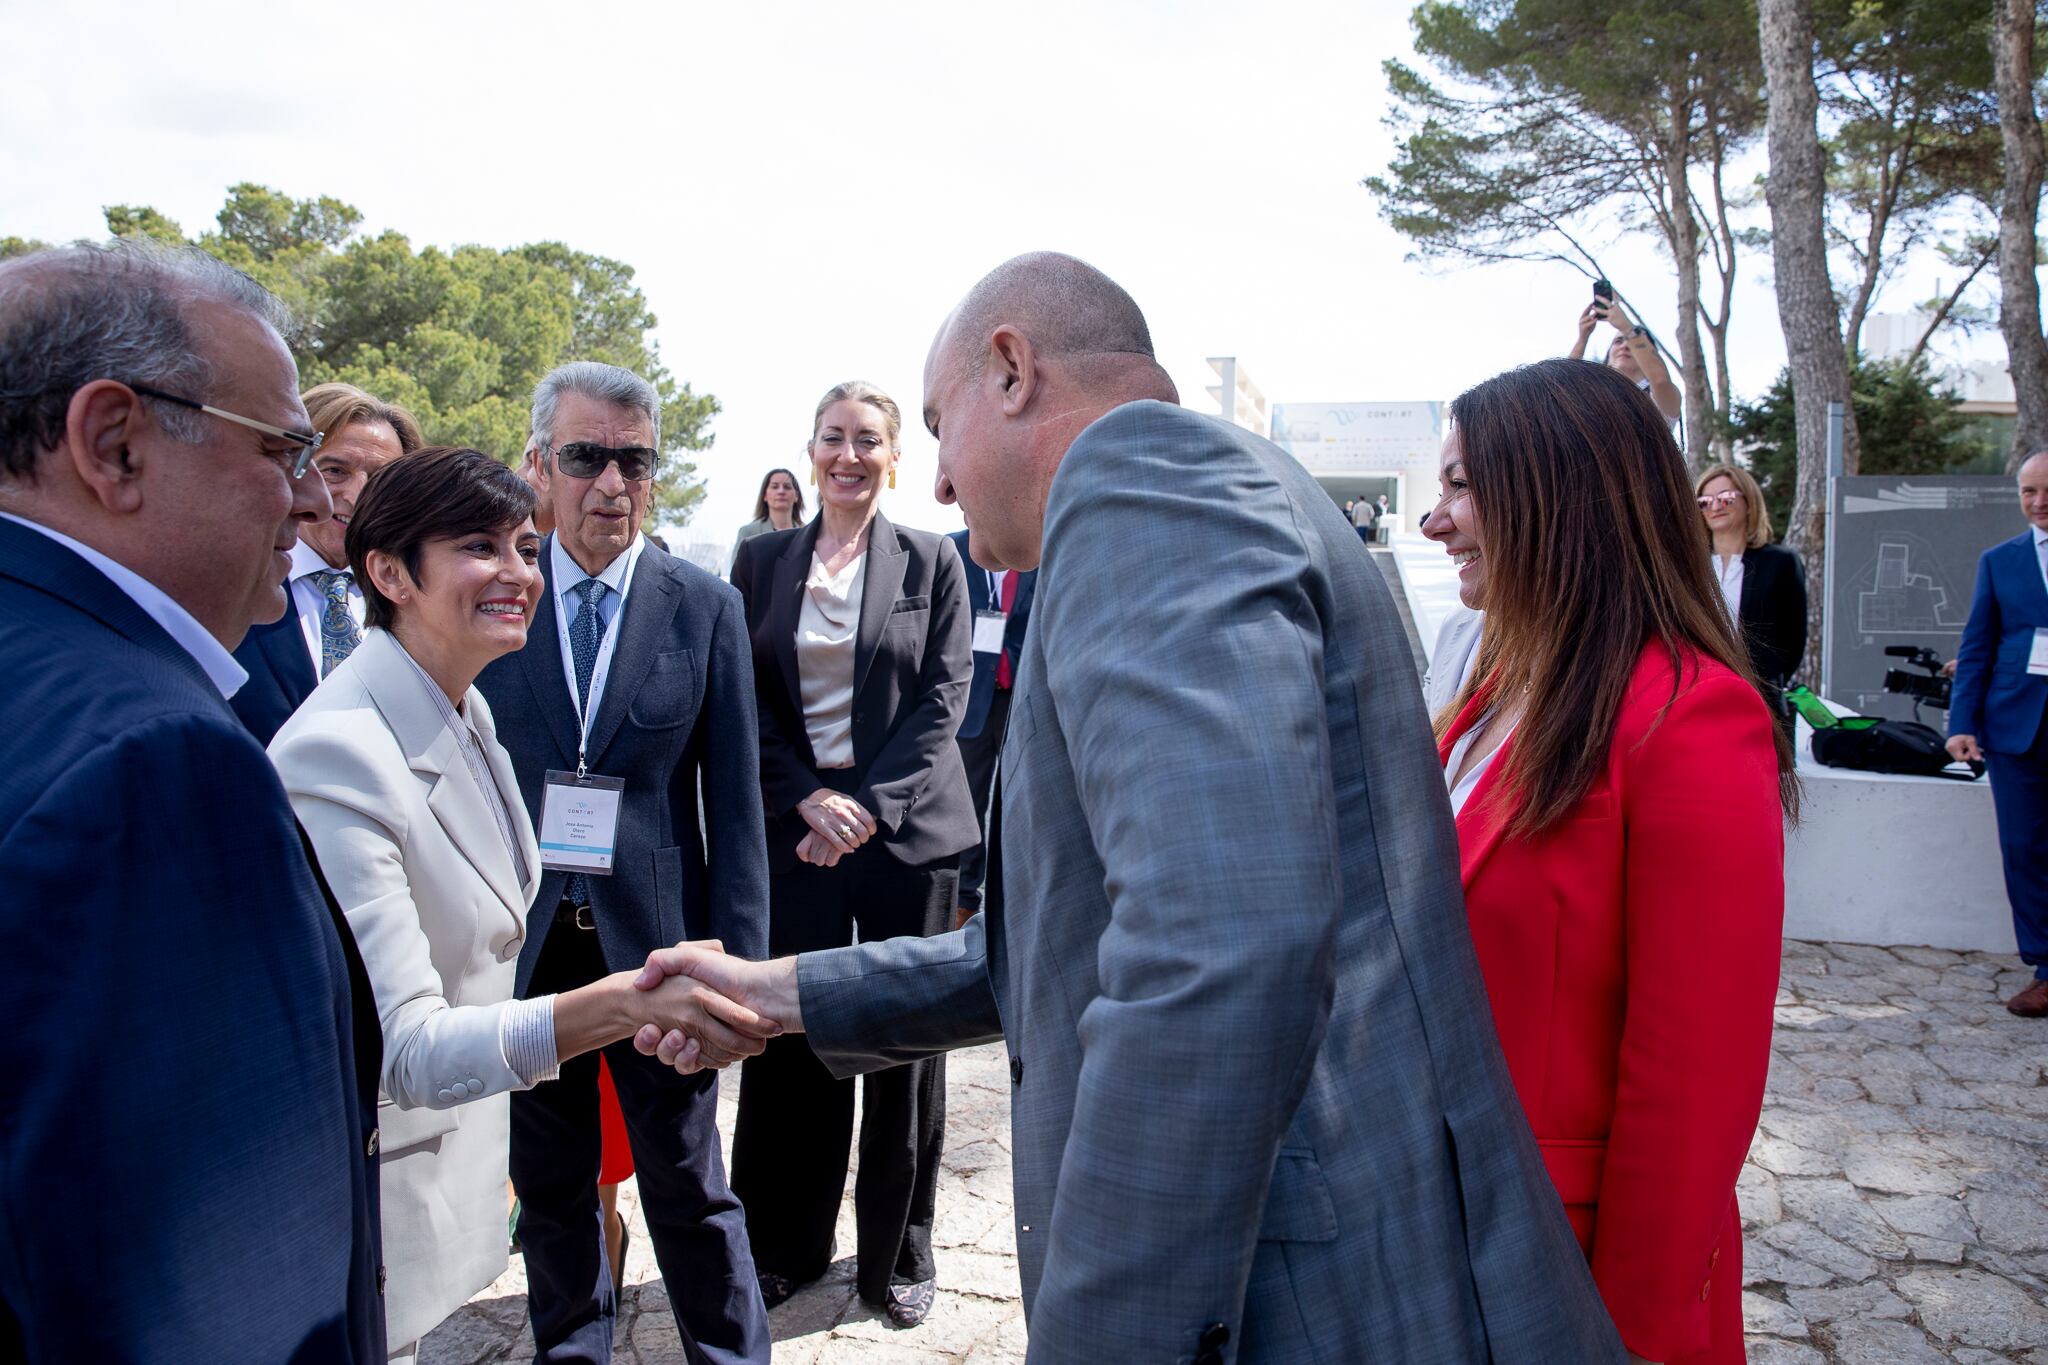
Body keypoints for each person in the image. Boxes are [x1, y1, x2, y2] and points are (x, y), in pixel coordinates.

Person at [636, 253, 1626, 1363]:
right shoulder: (1199, 488)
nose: (945, 486)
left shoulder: (1140, 477)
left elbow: (1214, 946)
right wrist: (779, 994)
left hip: (1315, 1300)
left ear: (1010, 368)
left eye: (935, 425)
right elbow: (1063, 944)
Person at [271, 446, 773, 1362]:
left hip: (617, 960)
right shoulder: (336, 754)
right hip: (381, 1193)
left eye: (523, 547)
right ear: (388, 571)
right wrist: (626, 1002)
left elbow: (733, 804)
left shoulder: (465, 712)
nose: (517, 573)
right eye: (479, 547)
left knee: (691, 1189)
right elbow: (408, 1047)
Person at [0, 240, 385, 1359]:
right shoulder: (153, 768)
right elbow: (221, 1289)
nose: (314, 498)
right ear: (114, 444)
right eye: (285, 449)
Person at [1422, 359, 1792, 1365]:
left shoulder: (1688, 716)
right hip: (1450, 1245)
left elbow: (1694, 1084)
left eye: (1460, 485)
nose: (1432, 519)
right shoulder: (1496, 687)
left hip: (1572, 1274)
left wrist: (1622, 1331)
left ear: (1555, 492)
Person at [476, 361, 774, 1363]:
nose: (611, 481)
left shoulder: (703, 606)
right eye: (585, 456)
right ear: (537, 466)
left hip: (660, 953)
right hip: (527, 952)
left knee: (689, 1189)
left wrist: (739, 976)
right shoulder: (489, 596)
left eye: (634, 461)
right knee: (552, 1191)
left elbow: (734, 811)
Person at [727, 381, 976, 1326]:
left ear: (894, 456)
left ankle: (899, 1254)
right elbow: (745, 697)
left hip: (907, 838)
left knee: (905, 1046)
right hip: (798, 835)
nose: (847, 455)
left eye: (867, 440)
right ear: (811, 448)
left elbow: (944, 700)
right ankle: (781, 1244)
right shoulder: (761, 562)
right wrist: (808, 798)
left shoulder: (933, 562)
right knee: (789, 1039)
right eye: (832, 438)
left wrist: (865, 807)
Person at [232, 381, 425, 743]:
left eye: (380, 479)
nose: (356, 496)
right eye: (335, 470)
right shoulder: (230, 583)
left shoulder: (417, 599)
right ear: (291, 464)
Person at [1946, 449, 2048, 1018]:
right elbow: (1977, 646)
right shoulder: (2000, 561)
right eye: (2029, 492)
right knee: (2024, 849)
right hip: (2017, 728)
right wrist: (1962, 723)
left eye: (2047, 491)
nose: (2038, 503)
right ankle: (2045, 966)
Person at [948, 527, 1034, 928]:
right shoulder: (952, 548)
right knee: (969, 801)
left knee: (1023, 800)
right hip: (971, 697)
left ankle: (1017, 900)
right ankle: (965, 900)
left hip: (1022, 694)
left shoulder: (1034, 545)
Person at [1695, 462, 1806, 731]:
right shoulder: (1689, 566)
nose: (1715, 507)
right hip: (1698, 699)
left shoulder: (1780, 563)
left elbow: (1793, 640)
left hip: (1758, 699)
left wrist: (1767, 679)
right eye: (1705, 501)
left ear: (1749, 501)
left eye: (1726, 498)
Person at [1571, 295, 1682, 425]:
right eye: (1618, 341)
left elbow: (1660, 380)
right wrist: (1582, 339)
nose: (1625, 345)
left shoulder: (1659, 399)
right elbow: (1561, 392)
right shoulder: (1593, 396)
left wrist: (1627, 327)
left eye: (1632, 343)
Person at [727, 466, 805, 573]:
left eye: (787, 487)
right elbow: (737, 576)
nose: (781, 491)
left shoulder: (808, 533)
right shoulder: (749, 533)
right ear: (765, 495)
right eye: (774, 487)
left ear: (796, 496)